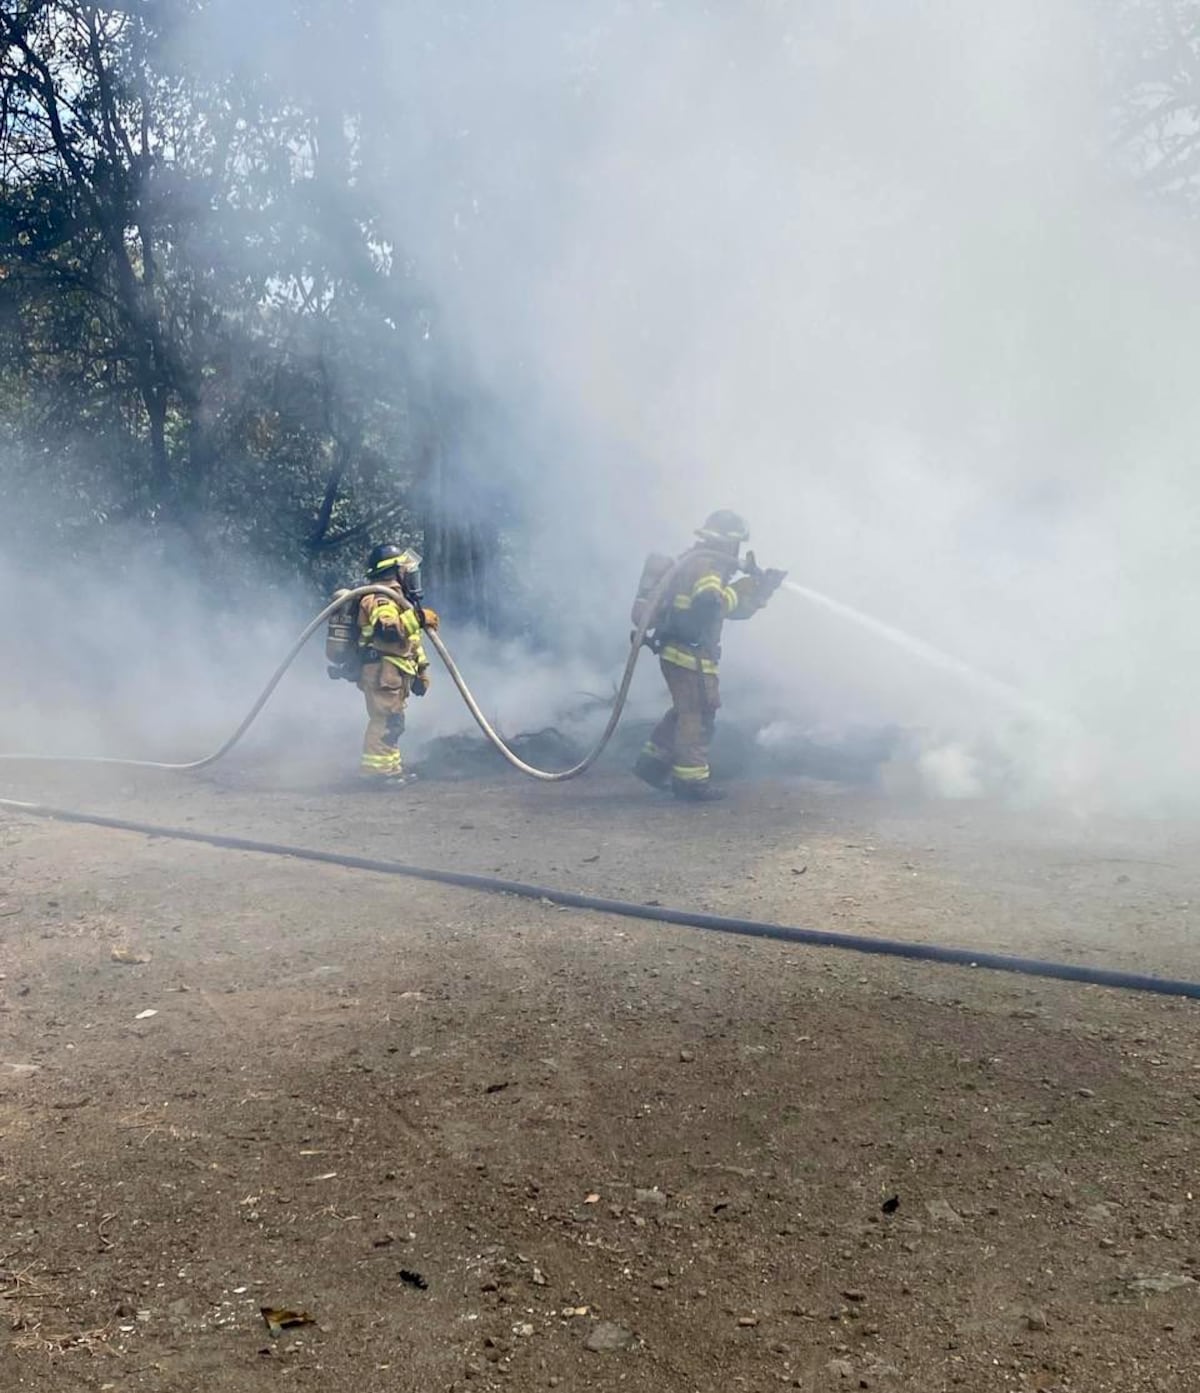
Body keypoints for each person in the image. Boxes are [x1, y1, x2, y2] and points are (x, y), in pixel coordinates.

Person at [633, 511, 785, 801]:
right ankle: (691, 782)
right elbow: (709, 606)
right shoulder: (706, 567)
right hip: (689, 656)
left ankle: (653, 763)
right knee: (699, 716)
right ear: (727, 544)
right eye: (737, 544)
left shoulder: (699, 562)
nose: (738, 551)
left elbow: (732, 610)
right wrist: (737, 591)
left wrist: (761, 591)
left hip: (682, 652)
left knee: (685, 711)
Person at [355, 543, 437, 784]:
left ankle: (390, 769)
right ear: (394, 571)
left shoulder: (397, 599)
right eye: (404, 568)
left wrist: (422, 670)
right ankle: (375, 773)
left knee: (393, 722)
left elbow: (410, 641)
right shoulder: (381, 598)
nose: (409, 573)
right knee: (385, 721)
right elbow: (388, 632)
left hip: (394, 673)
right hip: (382, 672)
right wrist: (418, 618)